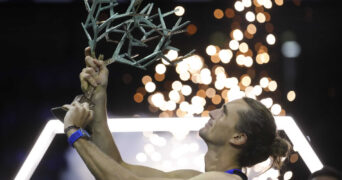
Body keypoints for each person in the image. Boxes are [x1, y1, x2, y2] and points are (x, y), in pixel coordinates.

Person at [62, 48, 291, 180]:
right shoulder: (195, 177)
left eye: (224, 113)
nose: (212, 112)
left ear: (238, 137)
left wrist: (75, 133)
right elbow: (118, 166)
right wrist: (100, 95)